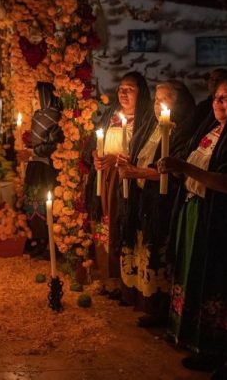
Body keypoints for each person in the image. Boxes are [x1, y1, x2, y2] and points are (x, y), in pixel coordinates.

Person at [158, 78, 227, 377]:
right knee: (197, 276)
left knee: (222, 283)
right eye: (216, 97)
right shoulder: (211, 131)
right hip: (199, 211)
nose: (218, 103)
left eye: (226, 98)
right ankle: (197, 341)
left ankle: (224, 351)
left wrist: (183, 168)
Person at [117, 80, 196, 326]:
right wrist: (126, 160)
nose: (158, 104)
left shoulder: (185, 131)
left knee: (157, 249)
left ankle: (160, 307)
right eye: (156, 98)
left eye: (166, 98)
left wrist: (138, 173)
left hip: (163, 201)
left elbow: (172, 169)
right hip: (142, 198)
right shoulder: (149, 126)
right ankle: (137, 295)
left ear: (179, 103)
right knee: (140, 246)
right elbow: (140, 155)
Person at [89, 72, 153, 295]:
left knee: (120, 223)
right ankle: (107, 275)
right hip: (106, 179)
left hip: (127, 182)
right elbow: (98, 142)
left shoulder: (146, 121)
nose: (123, 93)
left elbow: (144, 154)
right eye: (121, 88)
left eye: (130, 89)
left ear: (141, 93)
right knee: (105, 225)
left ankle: (123, 280)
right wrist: (97, 156)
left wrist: (117, 160)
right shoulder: (111, 116)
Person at [20, 81, 64, 257]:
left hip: (47, 167)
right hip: (35, 165)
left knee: (47, 202)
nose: (35, 98)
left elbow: (55, 143)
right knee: (33, 202)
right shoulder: (38, 115)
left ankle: (52, 243)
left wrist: (32, 152)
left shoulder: (55, 116)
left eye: (38, 94)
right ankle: (39, 240)